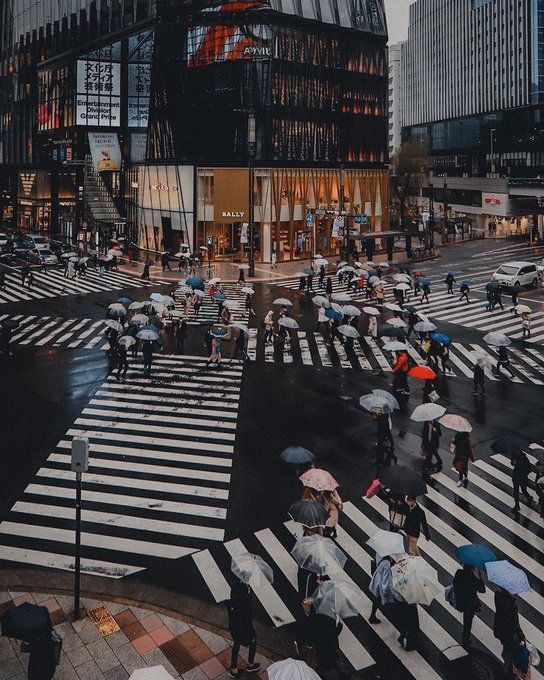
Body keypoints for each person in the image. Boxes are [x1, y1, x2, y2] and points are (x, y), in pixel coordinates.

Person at [226, 581, 261, 678]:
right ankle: (250, 665)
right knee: (253, 642)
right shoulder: (245, 601)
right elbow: (247, 619)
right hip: (244, 628)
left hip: (234, 627)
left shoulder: (233, 595)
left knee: (236, 644)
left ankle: (234, 669)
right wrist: (249, 592)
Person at [494, 586, 524, 678]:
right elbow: (515, 622)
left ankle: (508, 669)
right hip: (509, 633)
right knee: (509, 653)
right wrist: (521, 634)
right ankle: (507, 674)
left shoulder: (497, 596)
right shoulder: (512, 603)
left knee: (506, 648)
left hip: (499, 628)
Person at [453, 565, 486, 648]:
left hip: (461, 601)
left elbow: (455, 584)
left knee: (467, 622)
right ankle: (465, 640)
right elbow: (482, 590)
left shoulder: (459, 573)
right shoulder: (473, 578)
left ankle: (465, 639)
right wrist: (479, 577)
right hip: (470, 604)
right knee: (467, 623)